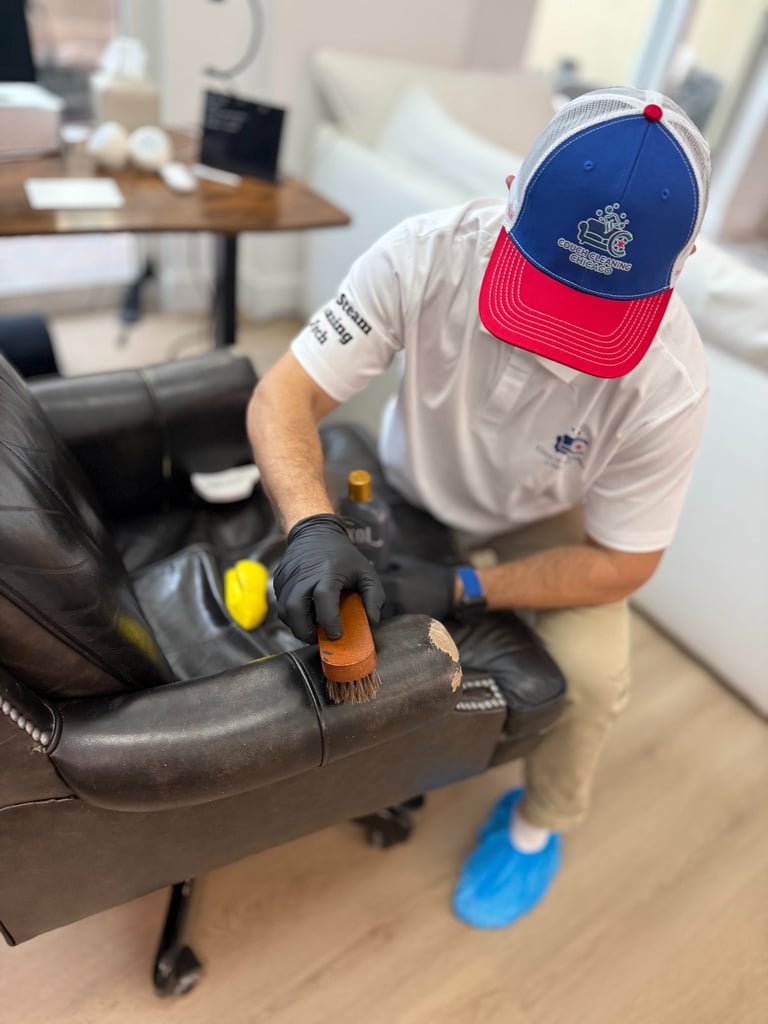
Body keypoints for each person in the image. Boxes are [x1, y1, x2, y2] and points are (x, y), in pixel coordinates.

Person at [247, 87, 711, 929]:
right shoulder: (423, 255)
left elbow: (626, 562)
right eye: (546, 290)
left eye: (591, 316)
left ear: (679, 269)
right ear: (510, 195)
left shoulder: (670, 383)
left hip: (540, 515)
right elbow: (283, 395)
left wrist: (464, 586)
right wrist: (311, 525)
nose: (551, 345)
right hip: (409, 478)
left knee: (595, 677)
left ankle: (538, 828)